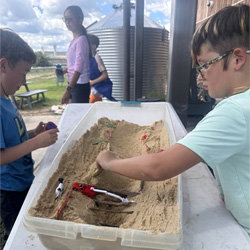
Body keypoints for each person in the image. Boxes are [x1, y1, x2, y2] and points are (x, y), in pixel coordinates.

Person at [96, 5, 250, 233]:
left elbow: (157, 168)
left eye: (204, 65)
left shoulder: (234, 111)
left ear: (237, 59)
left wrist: (110, 162)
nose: (200, 77)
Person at [0, 28, 59, 236]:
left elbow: (12, 139)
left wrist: (34, 133)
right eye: (23, 73)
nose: (24, 81)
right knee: (19, 233)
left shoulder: (6, 99)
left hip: (23, 179)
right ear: (4, 65)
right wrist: (35, 144)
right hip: (10, 190)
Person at [61, 6, 92, 104]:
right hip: (74, 84)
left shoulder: (81, 40)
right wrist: (66, 70)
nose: (67, 22)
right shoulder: (75, 40)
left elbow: (78, 69)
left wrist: (68, 89)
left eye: (70, 19)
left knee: (78, 116)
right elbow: (75, 65)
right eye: (65, 19)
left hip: (79, 85)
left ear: (80, 19)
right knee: (73, 114)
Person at [88, 34, 116, 103]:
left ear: (94, 46)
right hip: (90, 87)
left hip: (97, 87)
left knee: (91, 104)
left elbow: (105, 75)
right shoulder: (87, 58)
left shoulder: (97, 58)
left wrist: (92, 82)